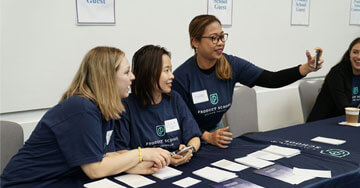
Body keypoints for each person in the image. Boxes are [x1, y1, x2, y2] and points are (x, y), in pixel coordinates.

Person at [0, 47, 171, 188]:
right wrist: (142, 153)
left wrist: (133, 167)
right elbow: (95, 169)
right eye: (127, 72)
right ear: (107, 78)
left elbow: (108, 155)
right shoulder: (81, 108)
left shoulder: (107, 107)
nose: (133, 77)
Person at [172, 14, 324, 148]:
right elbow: (181, 120)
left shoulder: (232, 65)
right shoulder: (181, 77)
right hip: (191, 139)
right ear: (195, 42)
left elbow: (272, 79)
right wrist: (206, 137)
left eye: (222, 36)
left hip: (217, 134)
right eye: (213, 38)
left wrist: (305, 69)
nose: (220, 43)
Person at [115, 45, 202, 167]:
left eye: (171, 70)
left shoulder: (174, 98)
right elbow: (121, 152)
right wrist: (162, 160)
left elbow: (194, 136)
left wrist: (189, 149)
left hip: (179, 167)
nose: (172, 76)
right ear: (149, 74)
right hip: (145, 172)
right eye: (166, 71)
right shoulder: (126, 106)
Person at [307, 38, 360, 122]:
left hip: (351, 121)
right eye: (355, 52)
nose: (358, 57)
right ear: (349, 53)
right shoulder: (337, 73)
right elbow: (344, 109)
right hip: (326, 123)